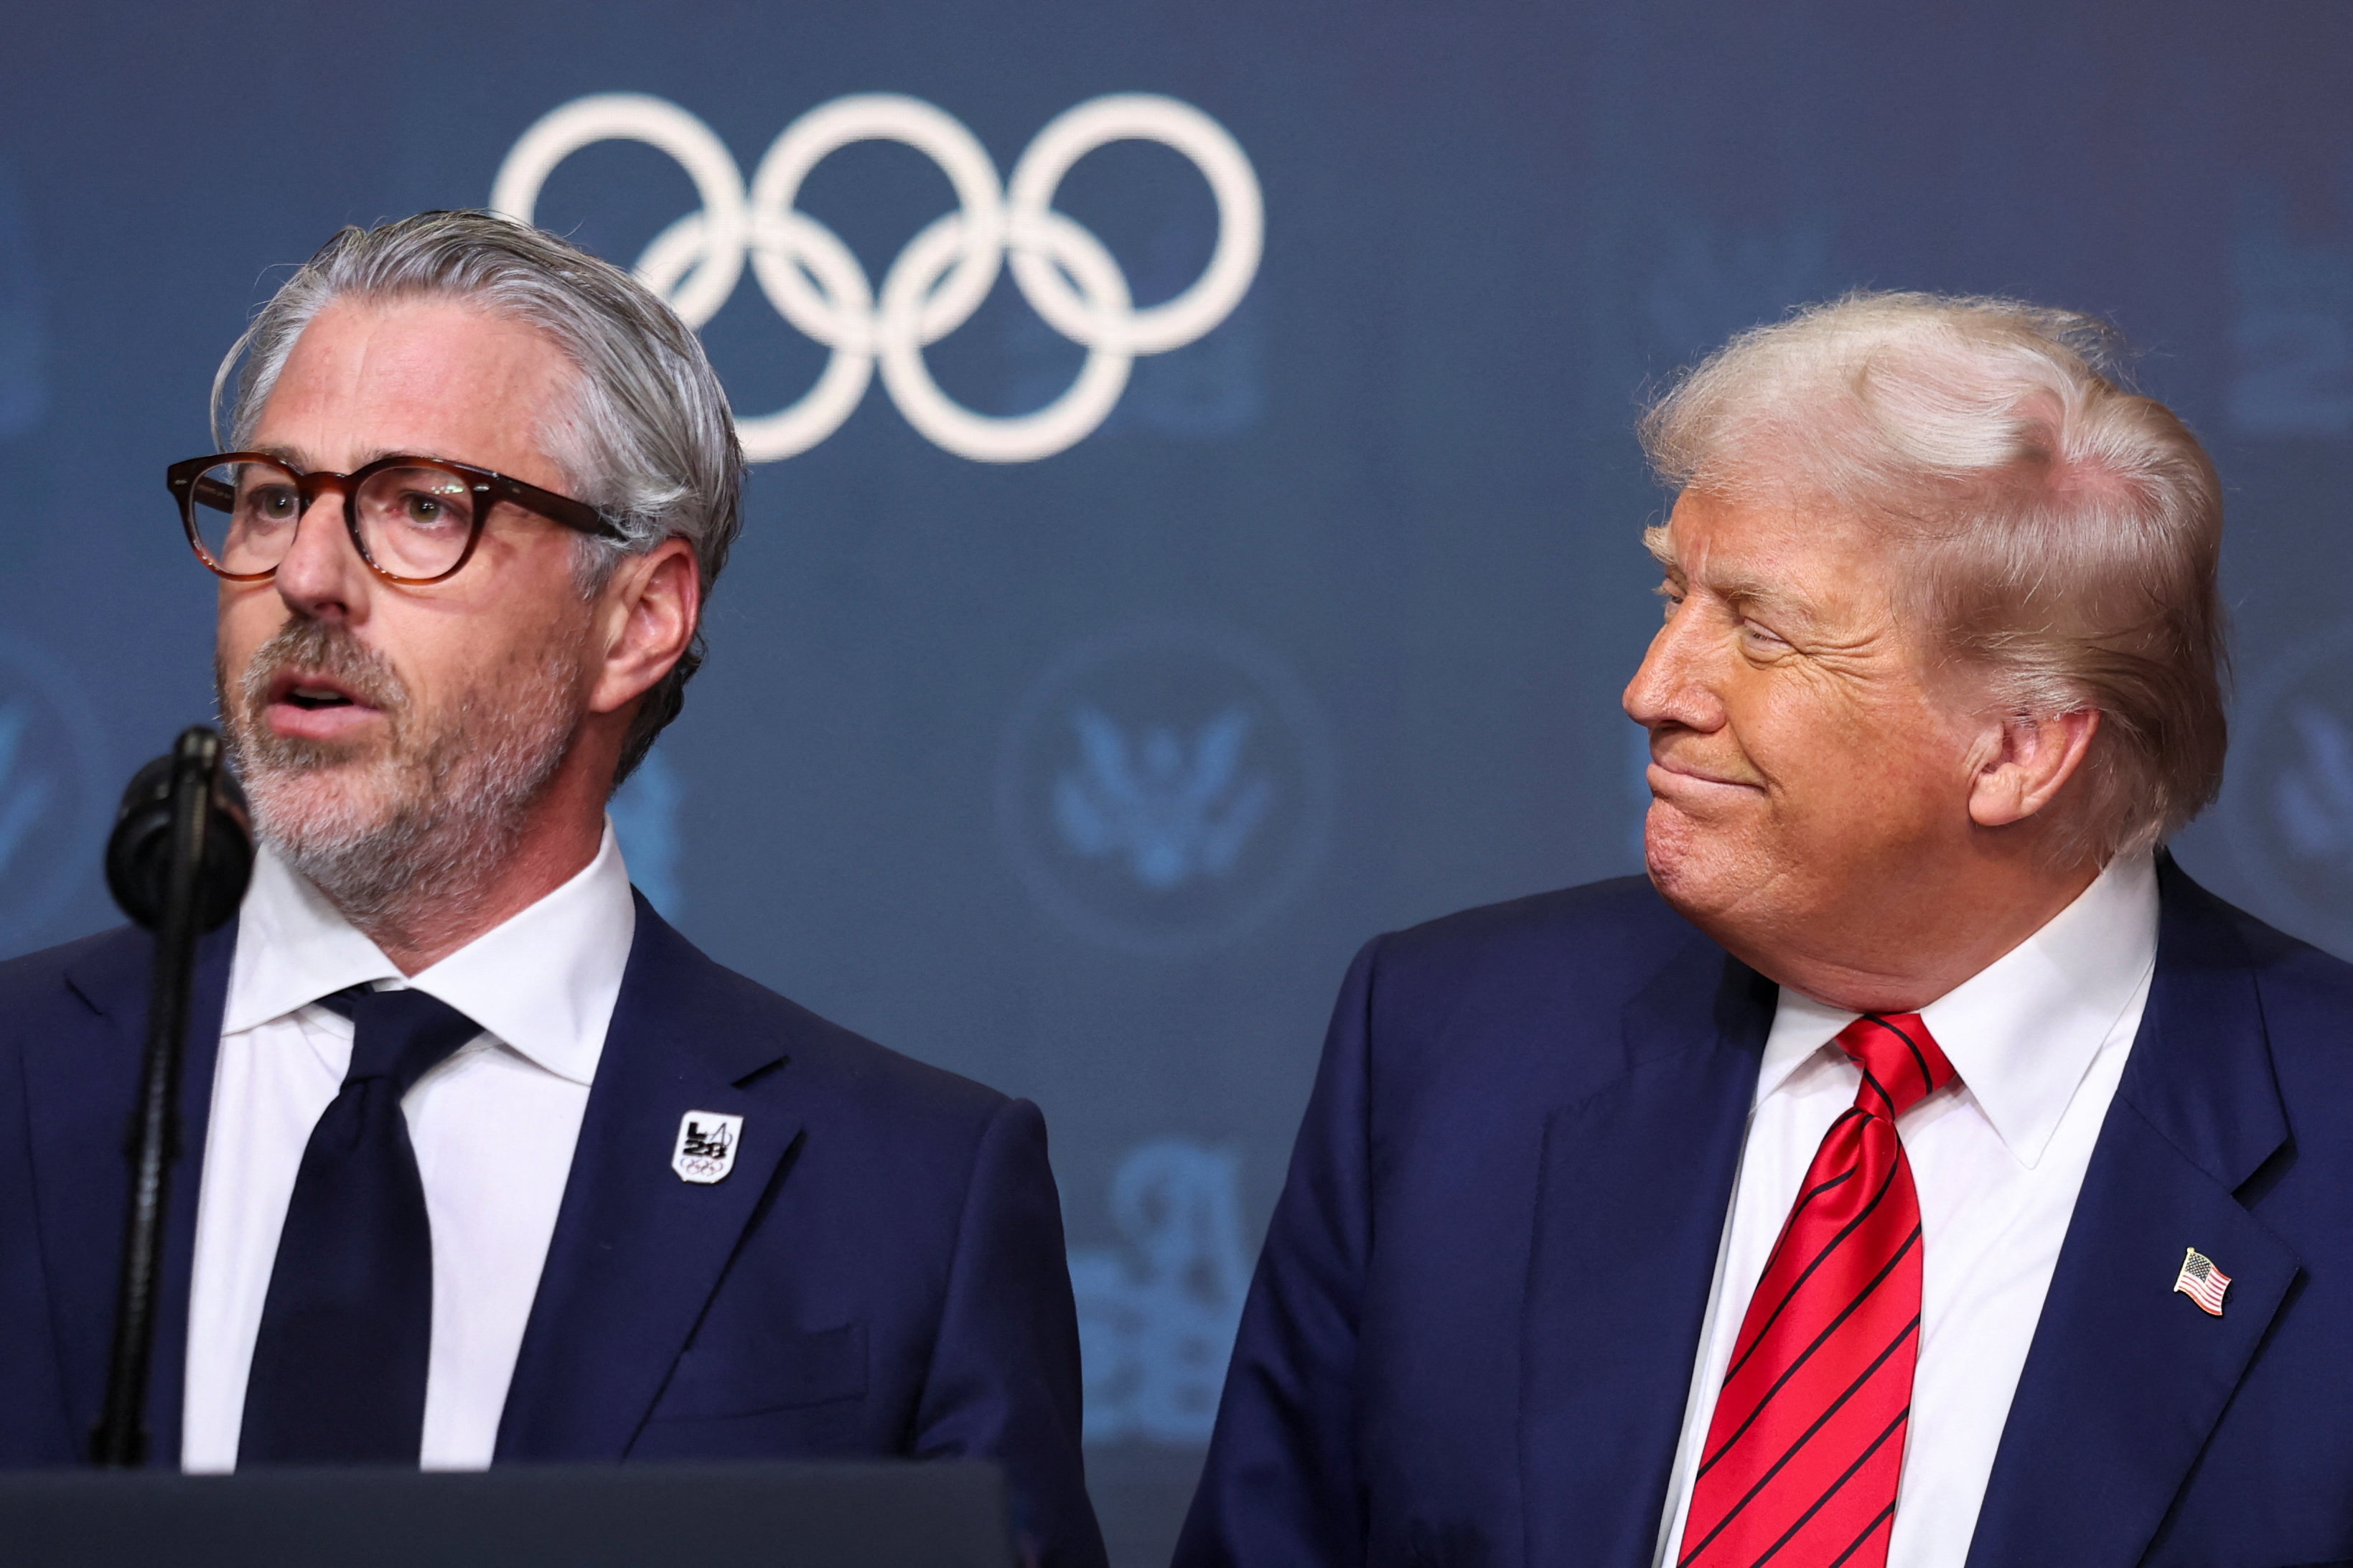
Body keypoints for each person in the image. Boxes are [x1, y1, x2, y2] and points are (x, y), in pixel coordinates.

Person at [1176, 293, 2353, 1567]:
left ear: (2017, 748)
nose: (1652, 689)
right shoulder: (1453, 1045)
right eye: (1671, 591)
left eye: (1759, 630)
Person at [0, 211, 1103, 1565]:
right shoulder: (17, 1074)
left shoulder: (910, 1198)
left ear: (638, 619)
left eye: (421, 506)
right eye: (274, 496)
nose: (304, 576)